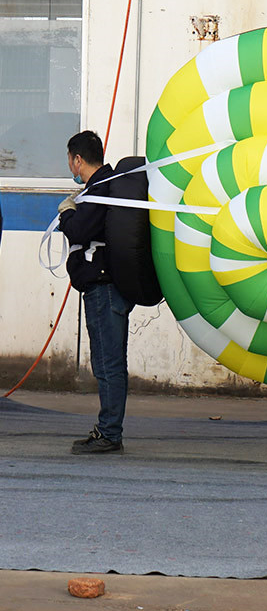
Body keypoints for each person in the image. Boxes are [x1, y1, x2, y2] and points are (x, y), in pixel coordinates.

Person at [58, 130, 133, 455]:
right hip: (107, 288)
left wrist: (67, 212)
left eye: (70, 160)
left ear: (77, 159)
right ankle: (109, 429)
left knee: (108, 363)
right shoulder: (104, 185)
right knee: (109, 362)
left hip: (104, 291)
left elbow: (78, 230)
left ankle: (109, 433)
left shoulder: (101, 189)